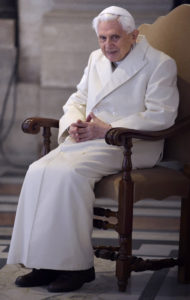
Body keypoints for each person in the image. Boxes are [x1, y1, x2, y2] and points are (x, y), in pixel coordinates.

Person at [7, 6, 179, 293]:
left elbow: (162, 115)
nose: (107, 45)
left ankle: (77, 268)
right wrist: (74, 123)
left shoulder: (160, 63)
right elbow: (78, 98)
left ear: (133, 35)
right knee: (38, 169)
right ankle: (44, 263)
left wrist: (108, 128)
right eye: (102, 38)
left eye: (114, 38)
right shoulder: (95, 58)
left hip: (132, 144)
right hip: (92, 138)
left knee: (70, 175)